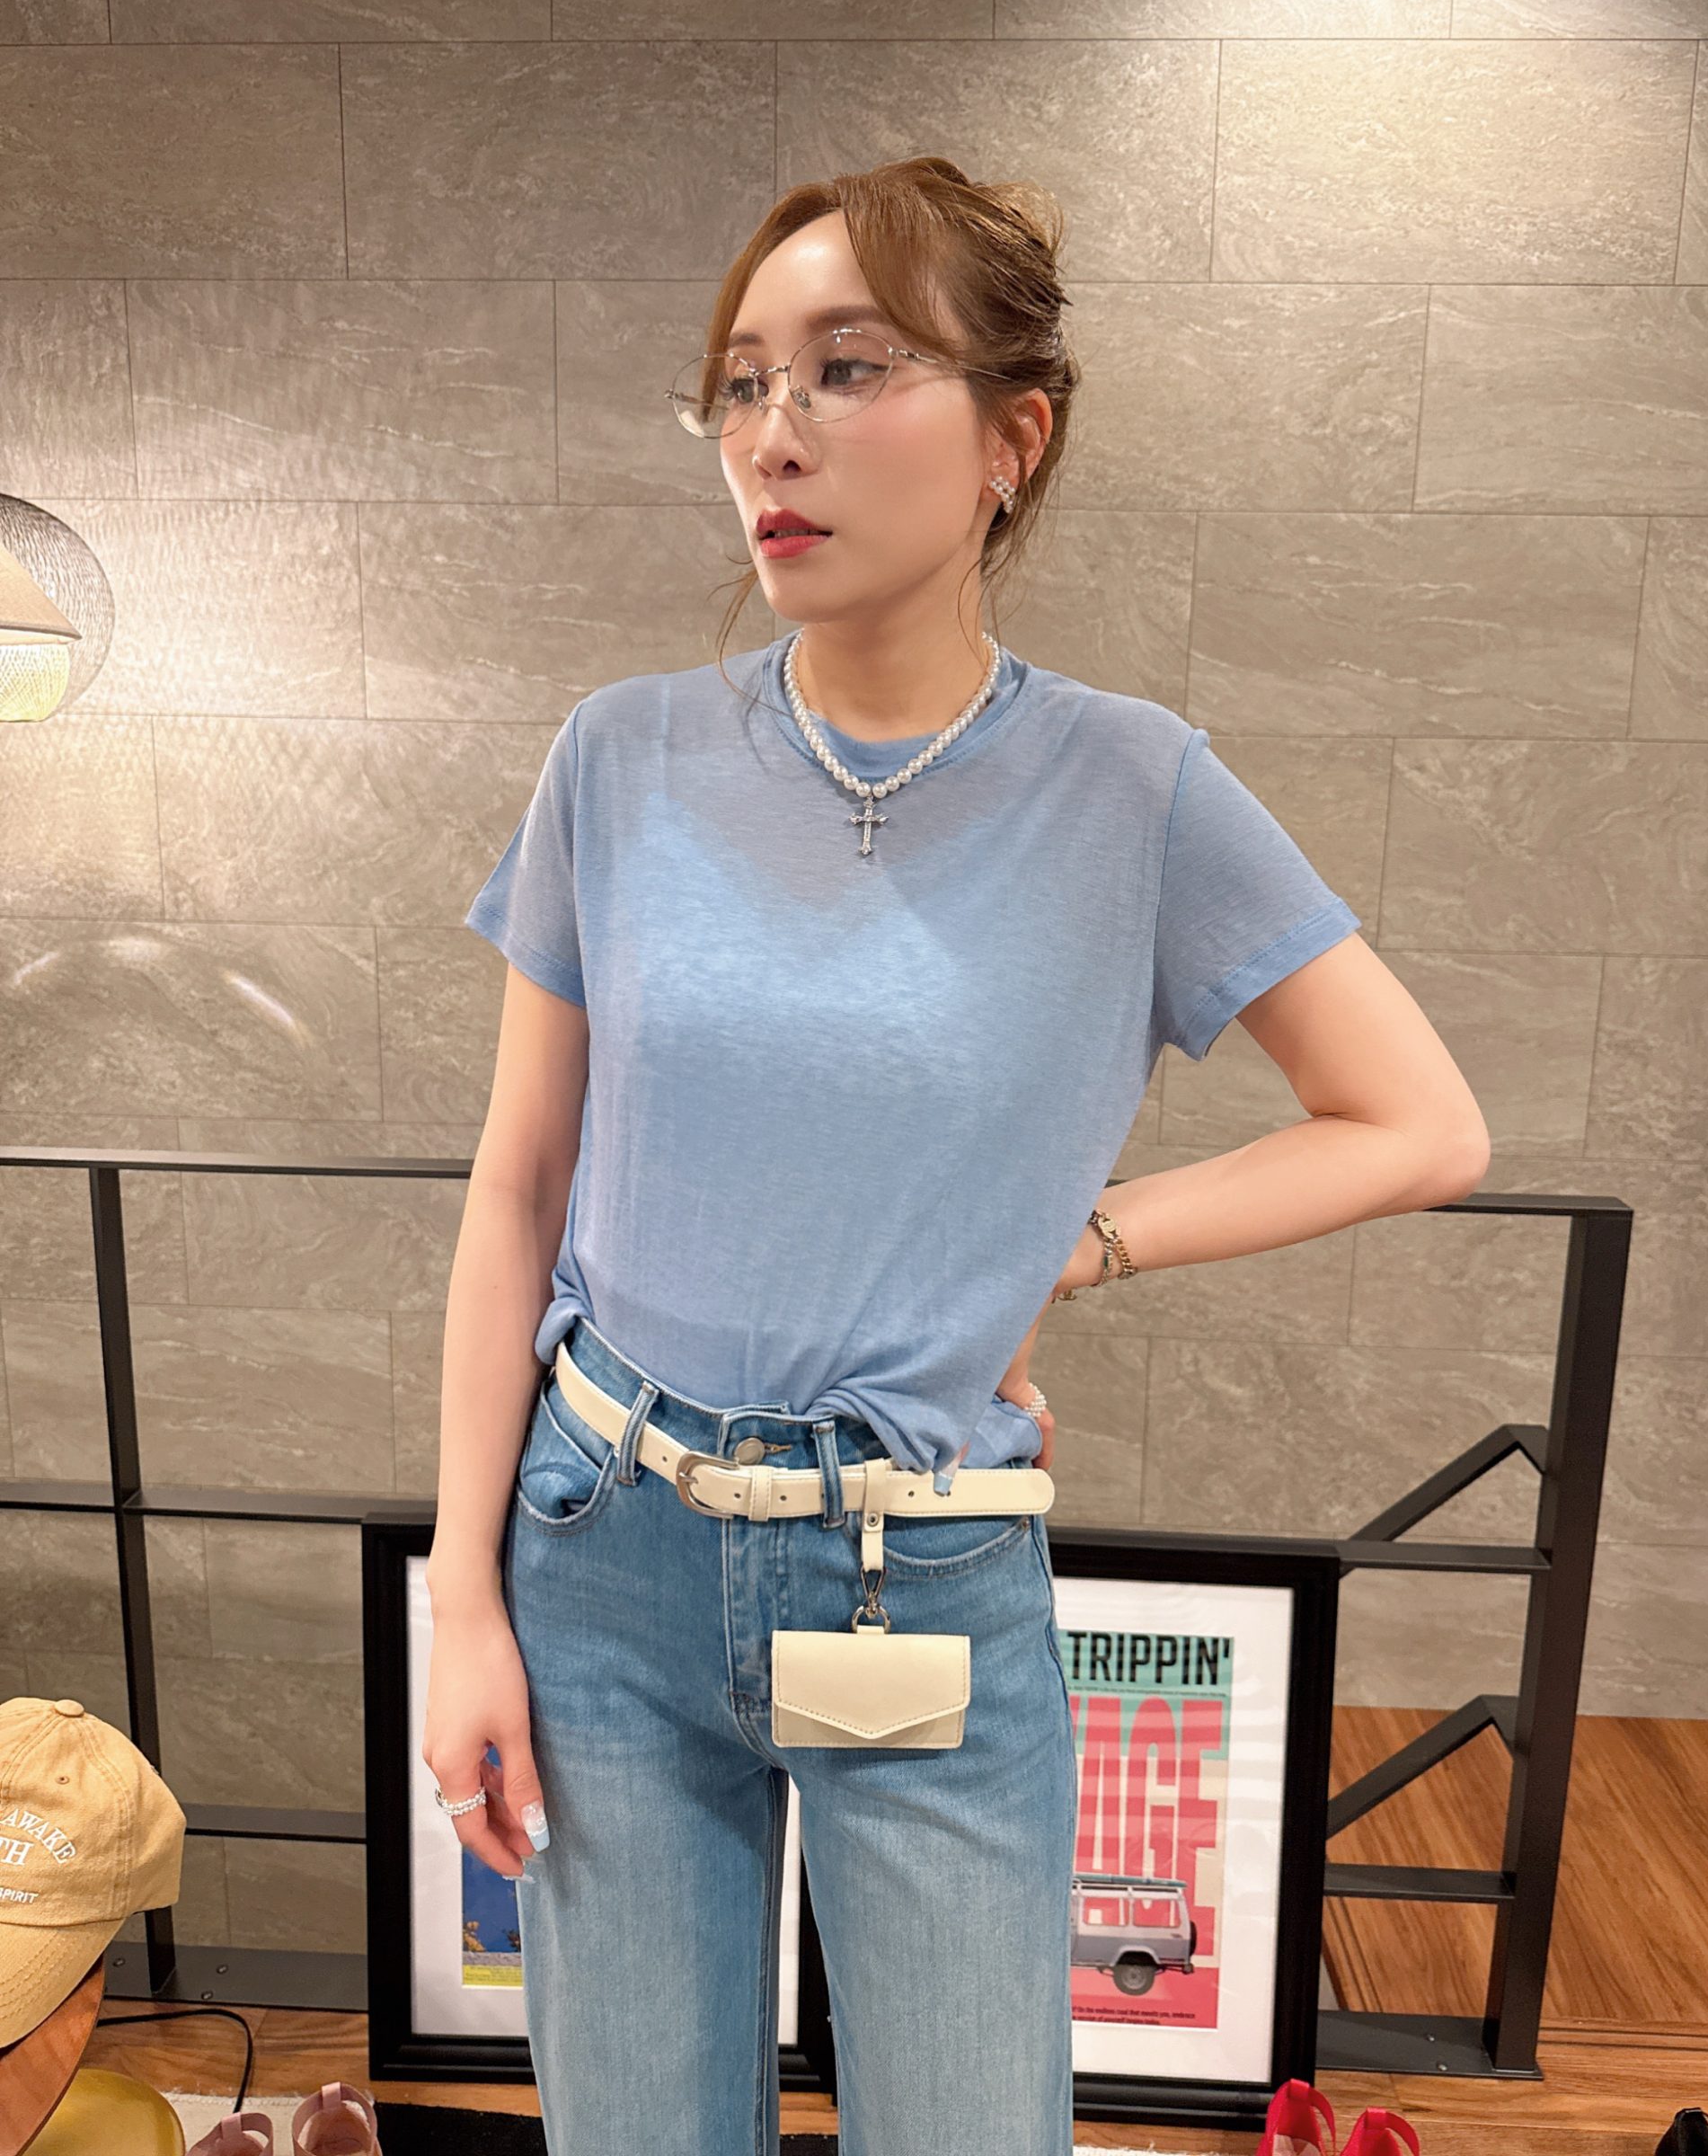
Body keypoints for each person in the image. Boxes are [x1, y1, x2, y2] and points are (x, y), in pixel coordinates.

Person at [421, 155, 1491, 2155]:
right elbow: (517, 1189)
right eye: (743, 382)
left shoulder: (1133, 787)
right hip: (602, 1545)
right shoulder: (619, 757)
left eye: (850, 368)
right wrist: (463, 1602)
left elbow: (1420, 1121)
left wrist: (1082, 1242)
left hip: (915, 1561)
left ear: (1017, 439)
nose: (775, 435)